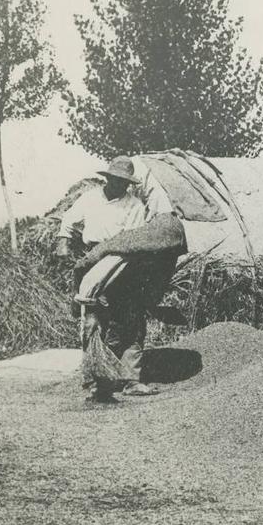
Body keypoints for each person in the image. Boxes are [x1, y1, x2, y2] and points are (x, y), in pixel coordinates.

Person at [56, 156, 175, 399]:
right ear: (107, 178)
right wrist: (63, 242)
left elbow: (135, 240)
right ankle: (98, 380)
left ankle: (132, 379)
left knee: (131, 320)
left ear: (129, 184)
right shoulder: (89, 199)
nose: (119, 185)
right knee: (94, 320)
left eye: (124, 182)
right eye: (115, 180)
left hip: (123, 262)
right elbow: (68, 220)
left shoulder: (134, 206)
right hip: (95, 261)